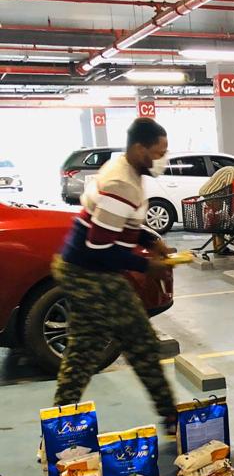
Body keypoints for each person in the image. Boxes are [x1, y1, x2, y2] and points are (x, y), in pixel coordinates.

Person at [53, 117, 177, 432]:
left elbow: (121, 222)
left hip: (88, 268)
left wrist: (150, 240)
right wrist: (147, 266)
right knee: (120, 344)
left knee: (98, 345)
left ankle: (59, 426)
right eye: (158, 152)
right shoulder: (121, 183)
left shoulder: (126, 168)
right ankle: (171, 417)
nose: (162, 159)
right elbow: (99, 247)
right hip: (88, 272)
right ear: (139, 148)